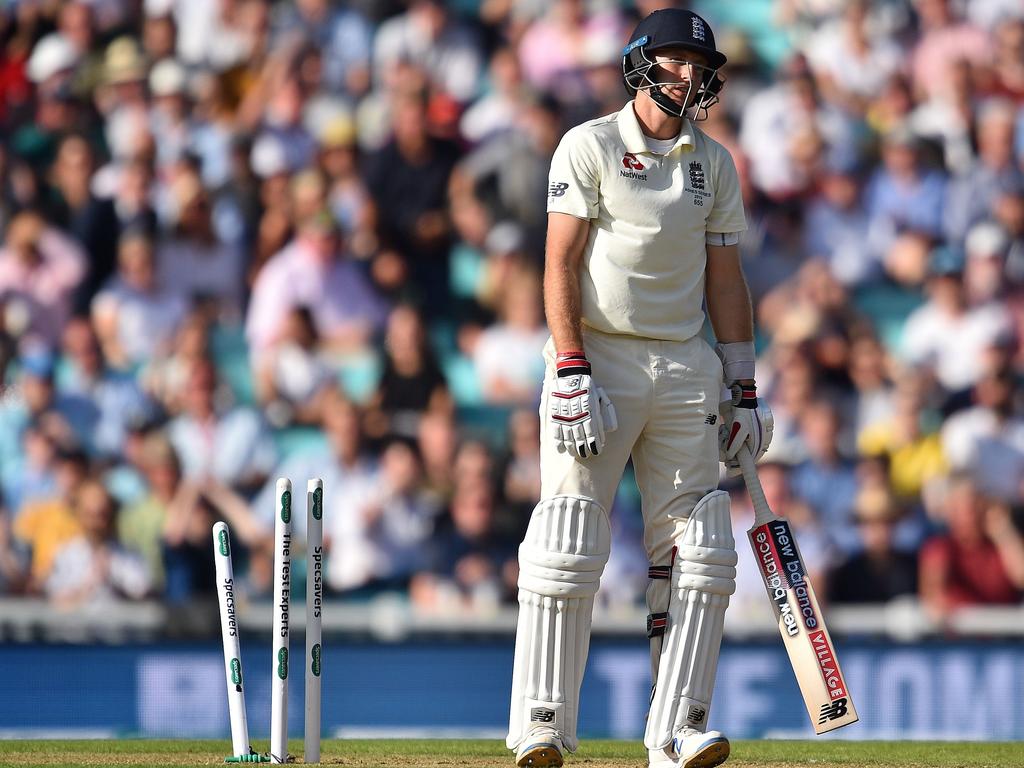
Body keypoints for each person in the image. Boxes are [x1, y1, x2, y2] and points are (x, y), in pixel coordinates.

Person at [507, 10, 772, 768]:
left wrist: (744, 383)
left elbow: (727, 277)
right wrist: (568, 365)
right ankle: (542, 724)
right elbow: (558, 261)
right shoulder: (588, 143)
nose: (688, 74)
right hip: (599, 360)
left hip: (685, 365)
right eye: (675, 60)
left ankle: (676, 729)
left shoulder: (713, 162)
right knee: (568, 537)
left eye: (700, 63)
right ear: (641, 64)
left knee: (699, 549)